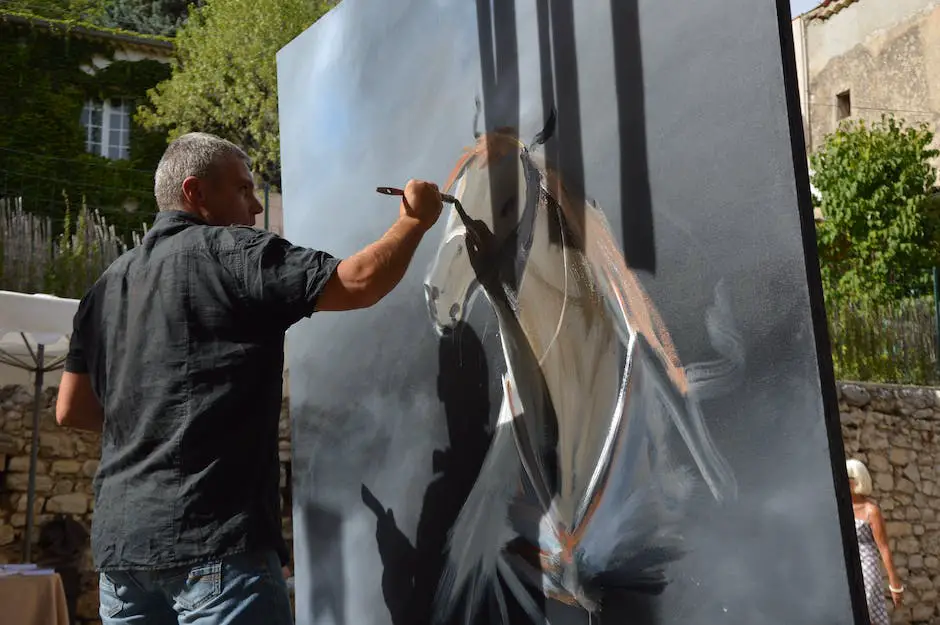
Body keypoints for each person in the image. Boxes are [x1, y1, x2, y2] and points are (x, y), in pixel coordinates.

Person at [54, 132, 444, 624]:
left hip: (122, 554)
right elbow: (358, 281)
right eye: (243, 190)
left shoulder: (105, 286)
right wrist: (414, 221)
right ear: (195, 192)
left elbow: (70, 409)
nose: (257, 207)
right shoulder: (233, 253)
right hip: (214, 544)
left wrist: (152, 426)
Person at [847, 458, 903, 625]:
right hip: (847, 566)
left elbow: (884, 547)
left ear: (856, 481)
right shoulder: (840, 508)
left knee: (866, 614)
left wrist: (895, 584)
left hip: (867, 569)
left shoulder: (870, 511)